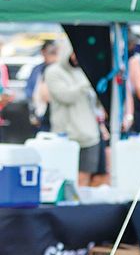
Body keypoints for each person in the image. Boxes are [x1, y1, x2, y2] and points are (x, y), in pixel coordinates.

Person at [43, 43, 103, 187]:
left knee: (86, 176)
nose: (77, 58)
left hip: (90, 136)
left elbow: (96, 103)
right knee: (65, 176)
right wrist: (88, 82)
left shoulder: (83, 71)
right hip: (66, 137)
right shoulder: (53, 71)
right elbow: (66, 96)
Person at [25, 39, 58, 131]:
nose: (54, 56)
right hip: (40, 114)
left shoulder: (61, 70)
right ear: (43, 52)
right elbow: (29, 92)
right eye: (51, 52)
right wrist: (33, 113)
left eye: (56, 53)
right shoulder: (37, 70)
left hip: (57, 113)